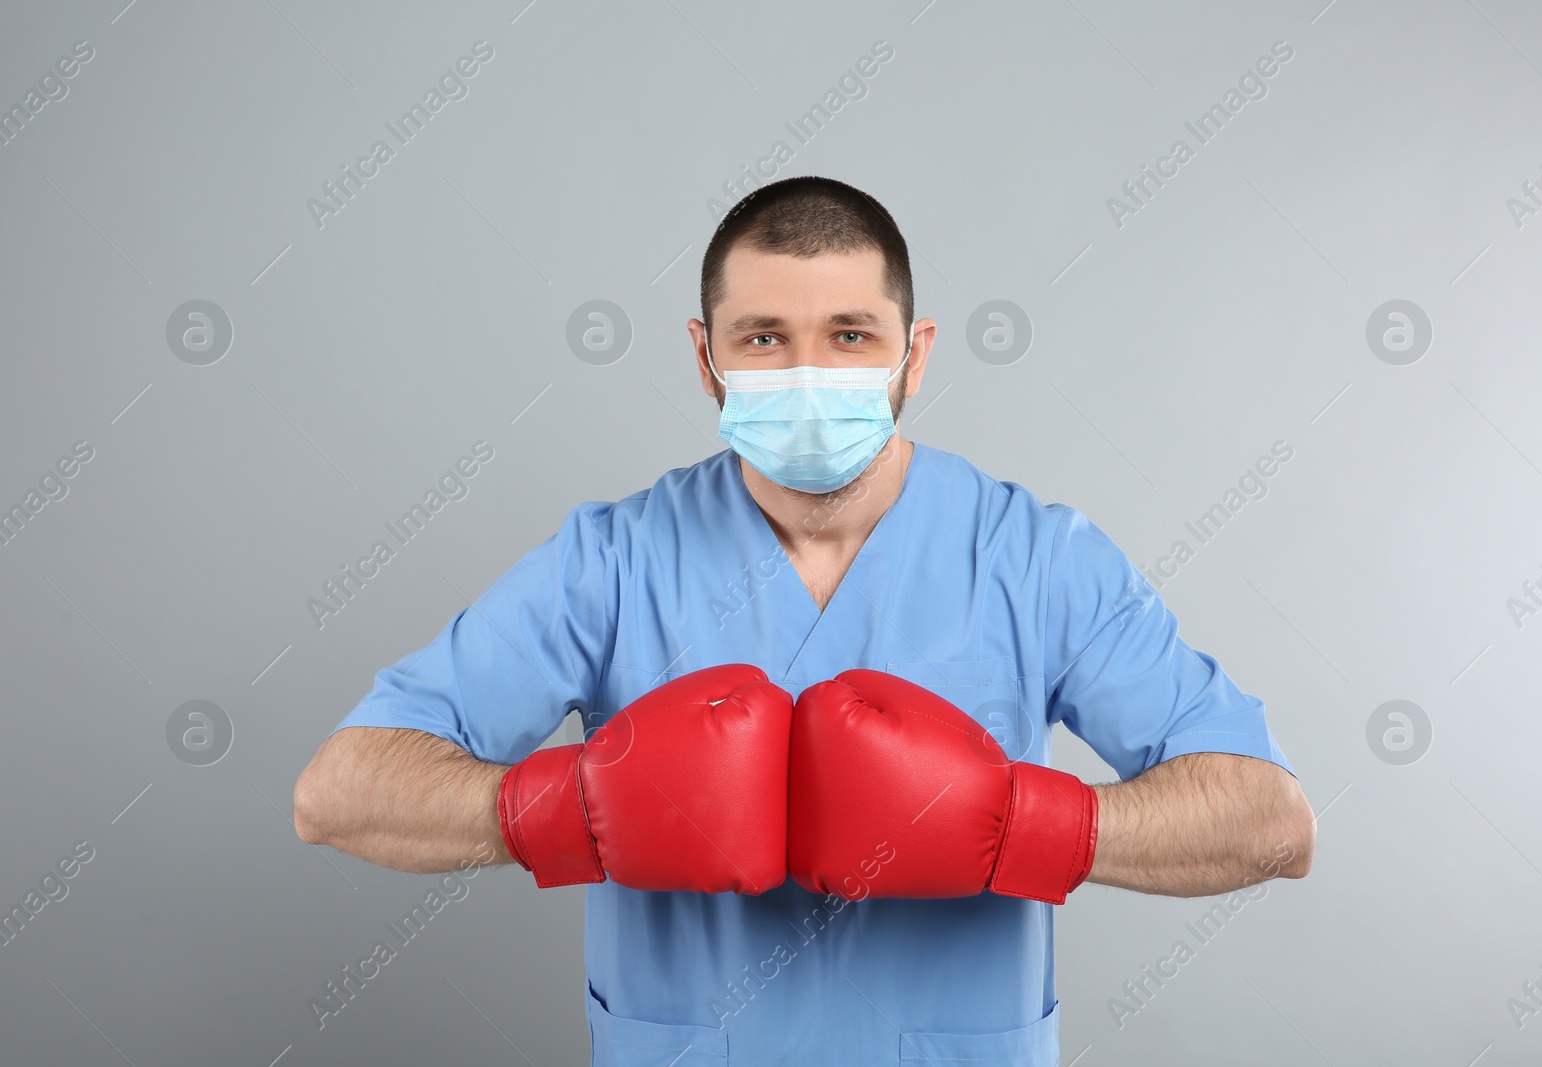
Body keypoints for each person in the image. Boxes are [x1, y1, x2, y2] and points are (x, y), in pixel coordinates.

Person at [293, 175, 1315, 1066]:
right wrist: (573, 809)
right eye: (764, 338)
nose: (808, 375)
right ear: (707, 358)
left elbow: (1270, 820)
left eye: (850, 336)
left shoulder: (1035, 557)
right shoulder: (611, 559)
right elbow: (337, 793)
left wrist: (1021, 822)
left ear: (913, 355)